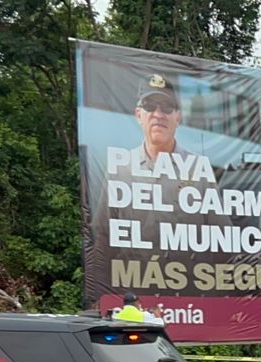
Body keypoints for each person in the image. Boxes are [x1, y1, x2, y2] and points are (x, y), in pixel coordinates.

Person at [84, 73, 205, 306]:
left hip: (186, 301)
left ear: (178, 116)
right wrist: (98, 299)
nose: (158, 115)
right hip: (134, 301)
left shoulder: (197, 169)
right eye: (150, 106)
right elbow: (102, 240)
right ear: (138, 114)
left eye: (167, 107)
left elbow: (220, 242)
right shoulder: (121, 169)